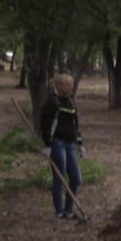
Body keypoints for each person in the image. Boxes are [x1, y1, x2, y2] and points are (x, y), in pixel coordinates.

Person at [39, 73, 84, 221]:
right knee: (59, 177)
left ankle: (69, 210)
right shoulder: (53, 102)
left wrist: (80, 144)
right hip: (57, 143)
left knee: (76, 178)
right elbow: (47, 125)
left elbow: (75, 126)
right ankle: (60, 212)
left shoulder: (70, 103)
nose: (71, 87)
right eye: (68, 84)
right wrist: (48, 145)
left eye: (71, 84)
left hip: (70, 144)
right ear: (59, 86)